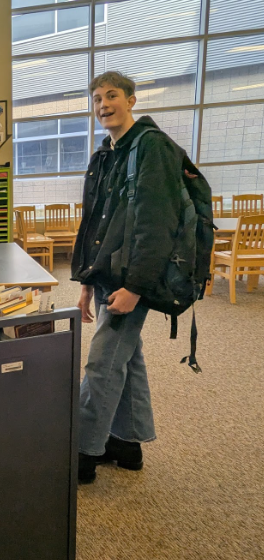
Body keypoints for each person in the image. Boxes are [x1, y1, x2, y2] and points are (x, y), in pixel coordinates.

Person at [72, 71, 187, 484]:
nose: (103, 104)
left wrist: (136, 287)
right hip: (107, 273)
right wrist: (86, 280)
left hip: (131, 277)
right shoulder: (107, 153)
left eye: (112, 96)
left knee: (102, 362)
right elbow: (93, 221)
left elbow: (158, 223)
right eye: (97, 98)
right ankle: (126, 443)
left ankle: (82, 452)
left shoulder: (151, 148)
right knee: (127, 355)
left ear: (132, 100)